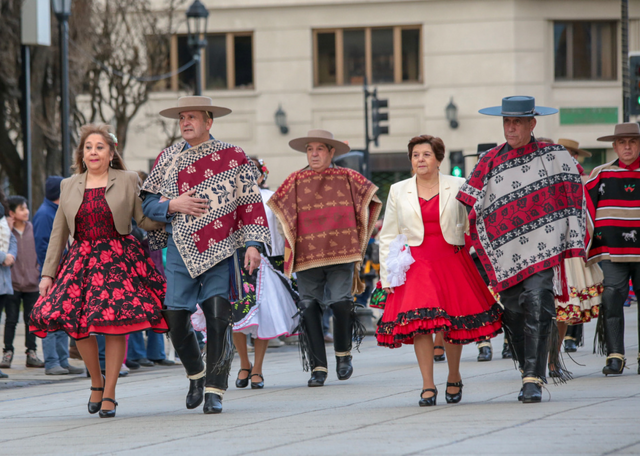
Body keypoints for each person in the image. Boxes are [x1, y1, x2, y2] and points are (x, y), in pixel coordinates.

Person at [29, 124, 168, 418]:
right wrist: (47, 274)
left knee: (114, 325)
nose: (93, 152)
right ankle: (96, 380)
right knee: (77, 323)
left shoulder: (128, 179)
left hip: (118, 258)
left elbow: (143, 220)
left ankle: (110, 392)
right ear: (82, 154)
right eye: (88, 147)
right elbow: (58, 232)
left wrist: (171, 210)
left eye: (100, 147)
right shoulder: (69, 184)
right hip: (80, 259)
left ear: (111, 152)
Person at [142, 96, 270, 414]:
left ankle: (215, 390)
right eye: (182, 117)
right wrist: (173, 205)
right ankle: (196, 374)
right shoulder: (167, 158)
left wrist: (253, 244)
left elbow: (250, 203)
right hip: (179, 250)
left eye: (193, 117)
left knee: (218, 316)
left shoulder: (234, 155)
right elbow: (145, 205)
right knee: (175, 316)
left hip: (221, 250)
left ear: (208, 122)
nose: (186, 122)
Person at [456, 96, 586, 403]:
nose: (510, 128)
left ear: (532, 124)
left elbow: (577, 182)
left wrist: (567, 231)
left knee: (538, 301)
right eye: (506, 122)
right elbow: (467, 200)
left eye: (517, 122)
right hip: (504, 254)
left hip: (543, 249)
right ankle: (527, 365)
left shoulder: (554, 155)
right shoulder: (488, 160)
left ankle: (533, 378)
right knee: (513, 313)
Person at [376, 135, 502, 406]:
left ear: (438, 159)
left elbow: (477, 222)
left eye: (426, 154)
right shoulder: (398, 190)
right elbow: (388, 235)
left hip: (451, 260)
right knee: (421, 324)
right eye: (415, 155)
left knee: (451, 323)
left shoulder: (458, 185)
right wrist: (386, 275)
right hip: (415, 264)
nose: (420, 159)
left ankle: (454, 375)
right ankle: (427, 385)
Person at [268, 129, 382, 387]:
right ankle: (318, 367)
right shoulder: (295, 179)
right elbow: (279, 213)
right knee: (309, 308)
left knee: (341, 303)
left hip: (342, 253)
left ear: (331, 152)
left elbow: (372, 200)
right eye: (310, 149)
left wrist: (360, 236)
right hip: (306, 256)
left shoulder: (348, 176)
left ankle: (343, 356)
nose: (314, 154)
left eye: (320, 149)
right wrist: (290, 242)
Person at [192, 158, 300, 389]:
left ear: (261, 176)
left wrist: (283, 261)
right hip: (234, 264)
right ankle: (244, 363)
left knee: (263, 317)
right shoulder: (227, 199)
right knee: (236, 316)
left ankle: (258, 368)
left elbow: (283, 233)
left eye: (253, 173)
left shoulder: (272, 198)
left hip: (266, 263)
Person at [584, 122, 640, 375]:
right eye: (622, 142)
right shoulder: (600, 174)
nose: (627, 146)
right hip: (612, 252)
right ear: (615, 146)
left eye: (632, 141)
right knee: (611, 299)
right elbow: (583, 209)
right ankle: (615, 355)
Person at [548, 139, 603, 378]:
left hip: (568, 251)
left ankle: (552, 358)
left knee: (563, 308)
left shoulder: (581, 180)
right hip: (538, 251)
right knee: (535, 309)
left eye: (569, 154)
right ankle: (534, 359)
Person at [33, 176, 85, 375]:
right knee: (51, 317)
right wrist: (52, 270)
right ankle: (52, 361)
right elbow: (43, 246)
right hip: (54, 274)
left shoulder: (56, 210)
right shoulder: (45, 214)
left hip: (64, 273)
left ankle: (62, 360)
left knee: (64, 316)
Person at [1, 196, 44, 370]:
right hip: (13, 284)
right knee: (11, 319)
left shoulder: (33, 229)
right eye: (21, 209)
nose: (26, 212)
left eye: (26, 208)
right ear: (11, 213)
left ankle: (31, 353)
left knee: (31, 319)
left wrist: (37, 273)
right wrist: (8, 229)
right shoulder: (6, 233)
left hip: (32, 284)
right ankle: (7, 352)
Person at [0, 190, 17, 377]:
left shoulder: (2, 212)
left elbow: (11, 238)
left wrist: (11, 255)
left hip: (3, 280)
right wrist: (3, 256)